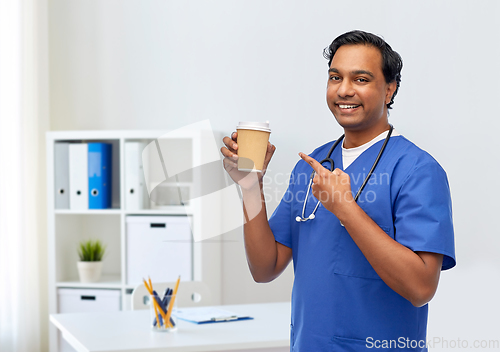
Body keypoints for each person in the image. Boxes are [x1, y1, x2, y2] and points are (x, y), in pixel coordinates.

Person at [221, 30, 455, 352]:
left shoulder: (417, 170)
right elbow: (265, 267)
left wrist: (345, 208)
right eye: (335, 77)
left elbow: (421, 287)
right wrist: (250, 186)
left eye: (361, 79)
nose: (344, 90)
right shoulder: (312, 165)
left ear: (389, 90)